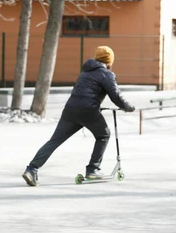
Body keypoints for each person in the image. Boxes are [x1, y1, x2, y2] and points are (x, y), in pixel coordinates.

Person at [22, 46, 135, 187]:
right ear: (109, 60)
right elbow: (116, 96)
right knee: (103, 135)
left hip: (70, 110)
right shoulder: (106, 74)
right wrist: (128, 107)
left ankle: (32, 169)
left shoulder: (85, 72)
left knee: (54, 141)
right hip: (88, 111)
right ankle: (93, 169)